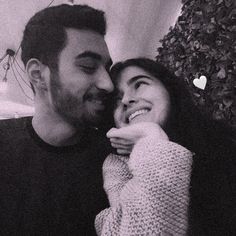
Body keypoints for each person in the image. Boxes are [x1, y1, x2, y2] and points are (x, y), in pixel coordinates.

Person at [0, 4, 114, 235]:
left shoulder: (114, 163)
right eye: (88, 67)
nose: (108, 84)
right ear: (37, 74)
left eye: (107, 69)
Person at [95, 58, 236, 235]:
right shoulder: (116, 170)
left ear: (168, 89)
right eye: (116, 99)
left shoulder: (221, 140)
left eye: (139, 84)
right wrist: (152, 139)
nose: (126, 100)